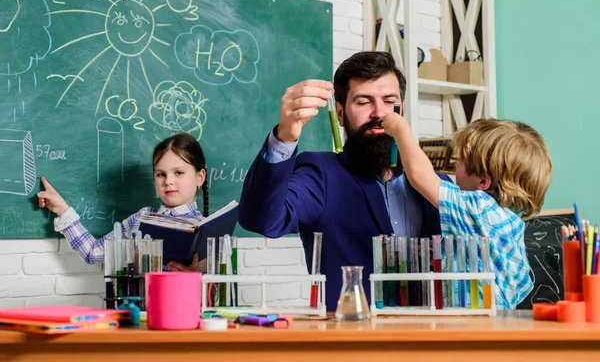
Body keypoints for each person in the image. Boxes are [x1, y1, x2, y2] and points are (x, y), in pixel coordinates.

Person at [238, 51, 451, 311]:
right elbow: (262, 219)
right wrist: (284, 137)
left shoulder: (435, 185)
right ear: (340, 114)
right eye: (364, 102)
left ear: (402, 109)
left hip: (434, 338)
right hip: (352, 340)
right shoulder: (321, 173)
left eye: (389, 101)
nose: (379, 113)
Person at [381, 115, 553, 309]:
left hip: (473, 323)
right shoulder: (510, 220)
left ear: (483, 182)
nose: (456, 166)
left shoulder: (478, 208)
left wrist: (400, 129)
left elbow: (419, 175)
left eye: (461, 161)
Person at [37, 133, 209, 272]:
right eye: (161, 174)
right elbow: (93, 253)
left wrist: (198, 278)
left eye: (178, 173)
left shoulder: (207, 228)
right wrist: (63, 210)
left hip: (185, 311)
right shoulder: (142, 218)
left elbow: (218, 295)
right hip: (140, 311)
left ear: (199, 177)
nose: (168, 181)